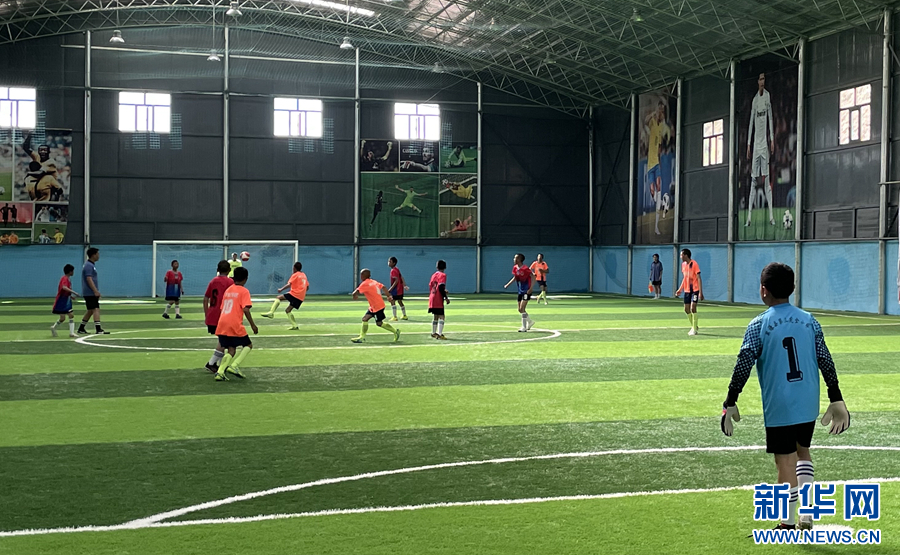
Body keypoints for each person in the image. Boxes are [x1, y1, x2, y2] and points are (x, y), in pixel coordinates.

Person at [721, 262, 850, 532]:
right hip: (808, 401)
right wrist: (835, 396)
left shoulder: (758, 324)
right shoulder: (809, 320)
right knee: (803, 452)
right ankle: (807, 514)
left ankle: (787, 522)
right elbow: (825, 359)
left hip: (780, 404)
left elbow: (743, 363)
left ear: (763, 290)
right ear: (792, 288)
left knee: (785, 461)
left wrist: (730, 400)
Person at [214, 266, 259, 381]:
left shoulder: (228, 290)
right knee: (248, 345)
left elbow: (222, 308)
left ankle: (220, 372)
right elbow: (246, 309)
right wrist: (253, 325)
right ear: (246, 279)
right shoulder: (244, 291)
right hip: (234, 323)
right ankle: (234, 365)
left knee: (231, 350)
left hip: (222, 322)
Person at [746, 72, 776, 227]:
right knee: (753, 181)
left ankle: (771, 216)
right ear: (757, 82)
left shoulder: (767, 97)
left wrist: (772, 139)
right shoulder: (755, 100)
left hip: (764, 146)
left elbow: (770, 118)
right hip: (756, 147)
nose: (762, 81)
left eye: (764, 79)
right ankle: (749, 217)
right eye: (760, 79)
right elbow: (751, 122)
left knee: (766, 180)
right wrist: (748, 145)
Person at [350, 269, 400, 343]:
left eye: (361, 274)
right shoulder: (373, 282)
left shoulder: (365, 284)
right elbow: (383, 287)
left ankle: (395, 331)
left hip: (377, 307)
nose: (360, 276)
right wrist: (389, 296)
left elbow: (355, 292)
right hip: (375, 306)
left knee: (379, 323)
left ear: (363, 276)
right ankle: (362, 337)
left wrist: (354, 296)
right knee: (365, 319)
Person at [644, 101, 671, 236]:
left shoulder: (661, 127)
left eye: (662, 111)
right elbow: (645, 121)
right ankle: (664, 202)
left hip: (656, 164)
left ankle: (656, 226)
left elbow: (659, 148)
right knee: (653, 192)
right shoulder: (653, 122)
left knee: (659, 188)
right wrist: (653, 113)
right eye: (660, 110)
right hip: (650, 165)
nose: (661, 113)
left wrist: (659, 163)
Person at [203, 260, 233, 373]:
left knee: (223, 340)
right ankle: (211, 363)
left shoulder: (213, 281)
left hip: (212, 315)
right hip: (223, 315)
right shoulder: (230, 282)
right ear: (229, 270)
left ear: (217, 270)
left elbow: (205, 299)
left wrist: (207, 314)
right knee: (224, 341)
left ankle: (220, 365)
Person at [262, 262, 309, 330]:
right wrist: (302, 292)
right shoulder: (304, 275)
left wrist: (281, 289)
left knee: (278, 298)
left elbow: (289, 284)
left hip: (295, 294)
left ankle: (271, 313)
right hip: (301, 297)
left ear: (294, 268)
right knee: (288, 310)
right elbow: (307, 287)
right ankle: (295, 326)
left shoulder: (295, 275)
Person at [78, 247, 108, 335]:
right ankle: (98, 329)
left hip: (89, 292)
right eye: (97, 254)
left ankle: (81, 328)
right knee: (96, 309)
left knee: (90, 310)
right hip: (90, 292)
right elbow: (89, 279)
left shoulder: (90, 265)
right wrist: (95, 291)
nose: (98, 256)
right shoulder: (89, 266)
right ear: (93, 255)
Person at [504, 253, 535, 332]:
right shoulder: (515, 268)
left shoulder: (525, 268)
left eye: (515, 258)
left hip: (526, 290)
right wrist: (508, 284)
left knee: (522, 308)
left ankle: (523, 327)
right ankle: (530, 321)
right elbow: (515, 277)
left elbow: (533, 277)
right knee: (520, 310)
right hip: (520, 290)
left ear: (519, 259)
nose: (514, 259)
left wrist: (531, 288)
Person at [674, 248, 703, 335]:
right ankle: (694, 326)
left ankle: (694, 330)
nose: (680, 257)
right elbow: (685, 278)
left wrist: (701, 292)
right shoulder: (683, 265)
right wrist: (680, 289)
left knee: (693, 308)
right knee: (686, 309)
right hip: (687, 290)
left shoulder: (694, 264)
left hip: (695, 289)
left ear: (686, 255)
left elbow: (698, 278)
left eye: (681, 255)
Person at [51, 264, 79, 338]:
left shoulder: (66, 279)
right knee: (70, 315)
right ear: (70, 272)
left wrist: (70, 296)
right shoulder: (65, 278)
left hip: (66, 299)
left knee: (63, 318)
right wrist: (74, 292)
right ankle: (71, 333)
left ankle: (54, 327)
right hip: (62, 300)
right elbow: (64, 287)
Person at [429, 260, 449, 339]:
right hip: (438, 298)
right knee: (442, 316)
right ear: (445, 267)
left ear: (437, 267)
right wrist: (446, 297)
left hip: (432, 297)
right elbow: (440, 287)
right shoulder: (443, 275)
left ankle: (433, 333)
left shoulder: (433, 275)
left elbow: (431, 286)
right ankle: (440, 334)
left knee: (436, 316)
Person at [387, 256, 409, 321]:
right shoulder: (397, 269)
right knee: (400, 301)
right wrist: (404, 285)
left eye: (390, 261)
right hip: (400, 289)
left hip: (396, 289)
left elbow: (396, 280)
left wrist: (390, 289)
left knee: (392, 301)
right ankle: (404, 315)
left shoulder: (393, 271)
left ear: (394, 263)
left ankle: (394, 316)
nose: (388, 263)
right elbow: (401, 277)